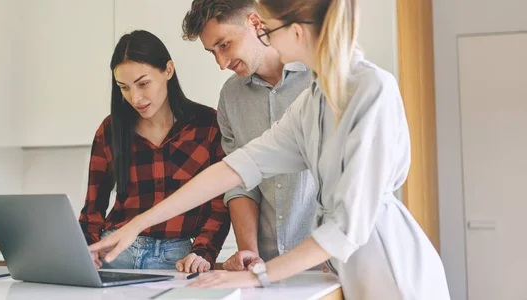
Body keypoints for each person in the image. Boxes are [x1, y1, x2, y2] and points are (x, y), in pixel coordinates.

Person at [88, 1, 451, 299]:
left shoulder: (372, 89)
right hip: (345, 271)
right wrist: (138, 224)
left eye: (269, 28)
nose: (265, 35)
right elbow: (238, 167)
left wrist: (256, 277)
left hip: (392, 265)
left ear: (294, 32)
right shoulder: (312, 103)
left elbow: (346, 228)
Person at [181, 0, 319, 272]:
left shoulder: (319, 78)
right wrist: (249, 253)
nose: (221, 63)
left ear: (255, 23)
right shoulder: (230, 97)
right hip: (266, 266)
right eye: (212, 52)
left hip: (325, 261)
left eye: (224, 45)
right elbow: (240, 183)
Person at [79, 30, 230, 273]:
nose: (135, 98)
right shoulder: (110, 130)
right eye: (124, 88)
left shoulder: (208, 125)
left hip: (179, 258)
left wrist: (203, 252)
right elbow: (92, 211)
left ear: (168, 70)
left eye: (143, 83)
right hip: (115, 251)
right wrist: (85, 251)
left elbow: (221, 203)